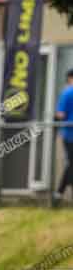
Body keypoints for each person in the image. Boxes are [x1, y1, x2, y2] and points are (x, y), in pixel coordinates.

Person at [55, 69, 73, 200]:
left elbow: (60, 114)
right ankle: (59, 193)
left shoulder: (66, 92)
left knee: (71, 164)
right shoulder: (68, 92)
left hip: (68, 134)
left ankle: (58, 194)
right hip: (69, 134)